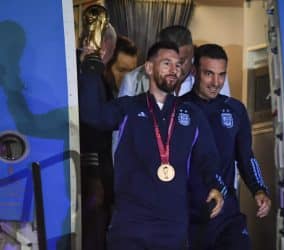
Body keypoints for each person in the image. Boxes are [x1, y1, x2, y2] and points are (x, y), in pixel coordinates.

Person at [78, 41, 225, 250]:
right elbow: (92, 115)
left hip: (172, 228)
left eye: (178, 64)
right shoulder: (129, 107)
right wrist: (91, 70)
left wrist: (215, 185)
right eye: (166, 63)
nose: (174, 70)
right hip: (130, 226)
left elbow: (209, 157)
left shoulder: (191, 114)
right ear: (149, 68)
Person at [182, 44, 271, 250]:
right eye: (209, 74)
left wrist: (259, 189)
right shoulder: (178, 109)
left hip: (227, 214)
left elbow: (246, 156)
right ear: (194, 71)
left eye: (221, 75)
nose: (216, 82)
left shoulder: (235, 109)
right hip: (190, 214)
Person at [77, 5, 117, 250]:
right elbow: (90, 123)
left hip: (98, 167)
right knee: (91, 227)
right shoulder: (86, 72)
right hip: (89, 166)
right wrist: (93, 175)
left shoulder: (98, 75)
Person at [118, 25, 231, 98]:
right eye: (167, 62)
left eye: (181, 62)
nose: (175, 69)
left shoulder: (212, 78)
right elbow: (120, 131)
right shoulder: (133, 80)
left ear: (192, 50)